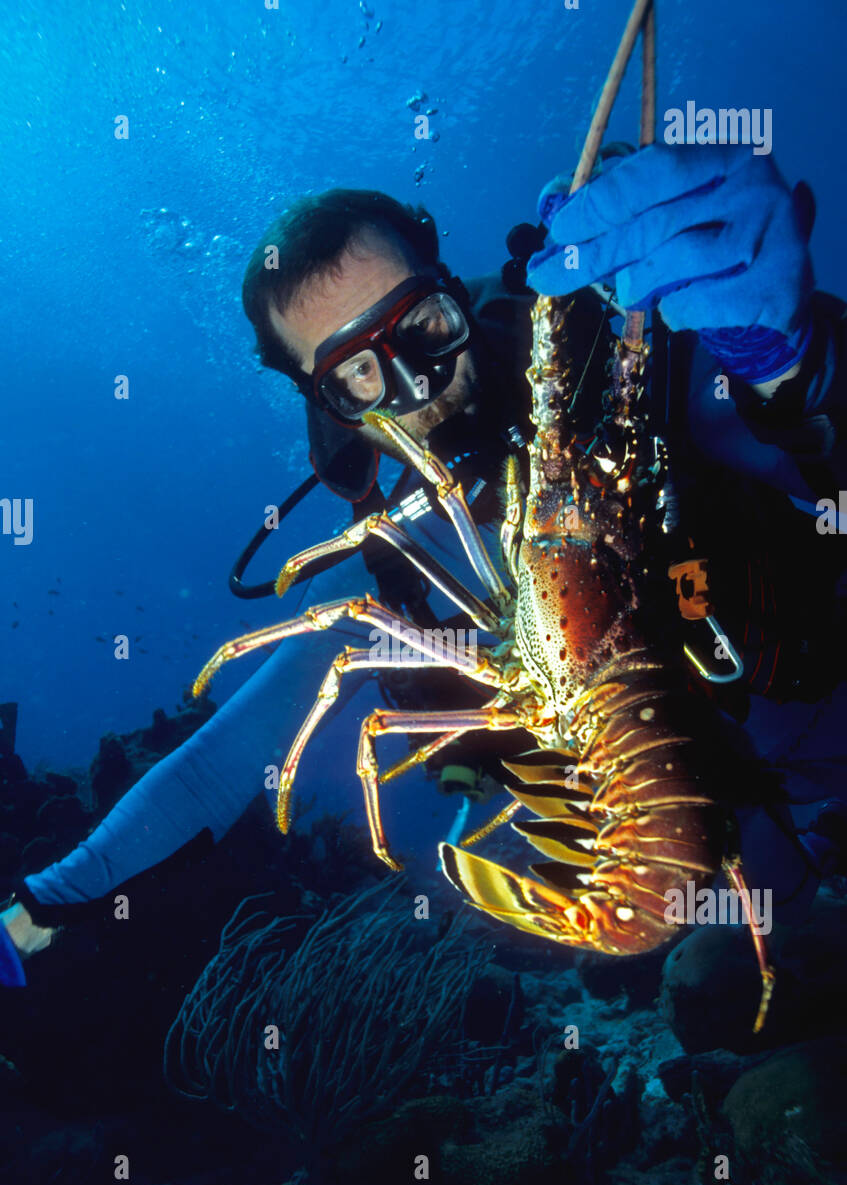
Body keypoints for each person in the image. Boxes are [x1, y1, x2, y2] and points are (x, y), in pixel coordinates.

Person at [2, 143, 846, 988]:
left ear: (452, 286)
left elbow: (803, 453)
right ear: (322, 403)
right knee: (742, 943)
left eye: (422, 326)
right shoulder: (391, 563)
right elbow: (220, 762)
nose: (409, 385)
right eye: (356, 373)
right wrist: (38, 909)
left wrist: (793, 372)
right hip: (725, 866)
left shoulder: (624, 399)